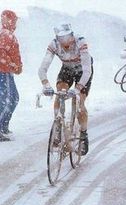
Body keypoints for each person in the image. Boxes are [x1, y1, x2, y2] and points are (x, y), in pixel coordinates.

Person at [38, 24, 93, 156]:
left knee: (80, 102)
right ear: (57, 38)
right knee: (60, 94)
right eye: (62, 38)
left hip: (83, 71)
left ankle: (83, 134)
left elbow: (87, 70)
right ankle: (58, 125)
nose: (66, 41)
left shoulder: (81, 41)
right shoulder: (54, 44)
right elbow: (42, 69)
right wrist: (46, 85)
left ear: (72, 35)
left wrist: (78, 88)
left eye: (68, 37)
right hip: (67, 69)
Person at [0, 10, 23, 142]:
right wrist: (13, 66)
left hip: (7, 72)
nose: (15, 23)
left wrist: (18, 65)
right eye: (14, 20)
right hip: (3, 72)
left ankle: (3, 126)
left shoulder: (8, 35)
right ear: (8, 20)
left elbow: (13, 54)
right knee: (8, 99)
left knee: (13, 98)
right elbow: (1, 54)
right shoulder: (5, 35)